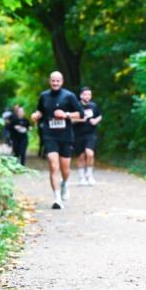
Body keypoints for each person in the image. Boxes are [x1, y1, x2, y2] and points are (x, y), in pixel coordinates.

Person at [31, 71, 83, 209]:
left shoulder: (69, 96)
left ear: (62, 81)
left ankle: (64, 183)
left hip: (65, 136)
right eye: (53, 81)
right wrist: (36, 115)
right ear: (49, 81)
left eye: (57, 81)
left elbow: (81, 114)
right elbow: (40, 111)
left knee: (65, 169)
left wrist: (66, 114)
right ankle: (57, 199)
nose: (55, 83)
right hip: (49, 135)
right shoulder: (44, 96)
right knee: (53, 166)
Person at [73, 86, 103, 185]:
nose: (87, 96)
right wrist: (81, 119)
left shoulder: (93, 106)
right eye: (85, 94)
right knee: (81, 156)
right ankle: (82, 178)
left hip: (90, 133)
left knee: (90, 153)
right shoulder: (76, 106)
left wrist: (95, 121)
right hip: (78, 134)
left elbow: (99, 116)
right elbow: (70, 119)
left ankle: (89, 175)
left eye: (89, 94)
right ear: (81, 95)